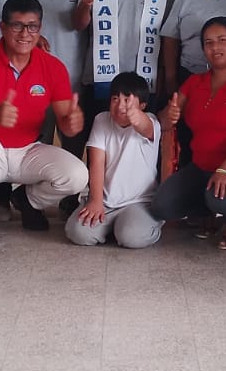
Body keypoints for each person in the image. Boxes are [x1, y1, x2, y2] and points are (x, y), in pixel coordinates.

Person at [0, 0, 87, 246]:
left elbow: (65, 122)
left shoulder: (53, 66)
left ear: (40, 28)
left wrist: (72, 123)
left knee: (77, 175)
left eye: (32, 26)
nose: (25, 33)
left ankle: (27, 201)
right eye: (17, 25)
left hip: (27, 149)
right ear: (3, 27)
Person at [151, 16, 226, 250]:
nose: (215, 47)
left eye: (222, 40)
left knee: (220, 198)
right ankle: (207, 211)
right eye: (209, 42)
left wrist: (224, 169)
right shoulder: (194, 83)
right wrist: (168, 116)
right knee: (162, 206)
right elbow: (163, 121)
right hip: (200, 167)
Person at [15, 0, 94, 154]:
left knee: (74, 150)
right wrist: (33, 37)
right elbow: (16, 23)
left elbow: (80, 24)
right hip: (32, 77)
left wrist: (85, 3)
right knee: (36, 149)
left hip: (73, 79)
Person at [66, 71, 164, 249]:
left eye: (127, 100)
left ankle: (143, 224)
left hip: (139, 202)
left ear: (143, 105)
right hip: (106, 201)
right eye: (115, 99)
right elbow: (96, 163)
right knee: (78, 233)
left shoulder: (151, 121)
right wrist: (96, 201)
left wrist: (137, 118)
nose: (120, 106)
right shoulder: (101, 120)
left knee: (131, 237)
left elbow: (145, 127)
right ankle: (113, 226)